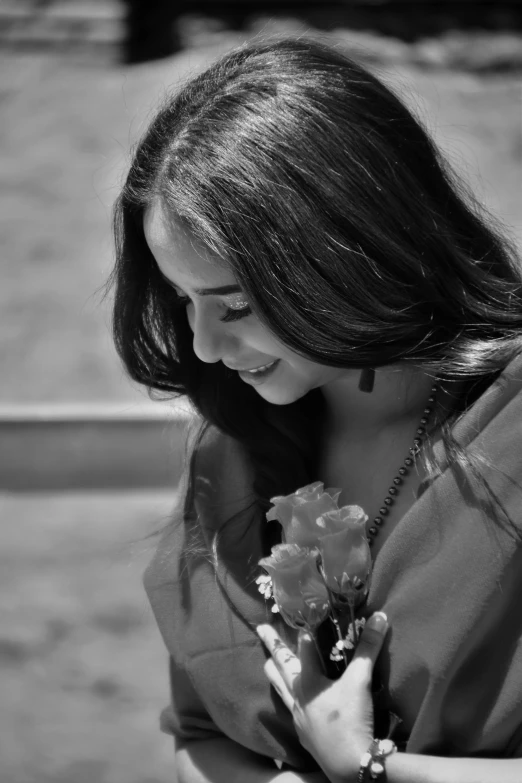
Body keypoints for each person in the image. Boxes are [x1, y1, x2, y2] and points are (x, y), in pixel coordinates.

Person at [109, 35, 522, 782]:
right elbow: (198, 731)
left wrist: (372, 769)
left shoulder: (511, 433)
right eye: (181, 299)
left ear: (347, 253)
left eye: (233, 303)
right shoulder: (232, 446)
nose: (202, 347)